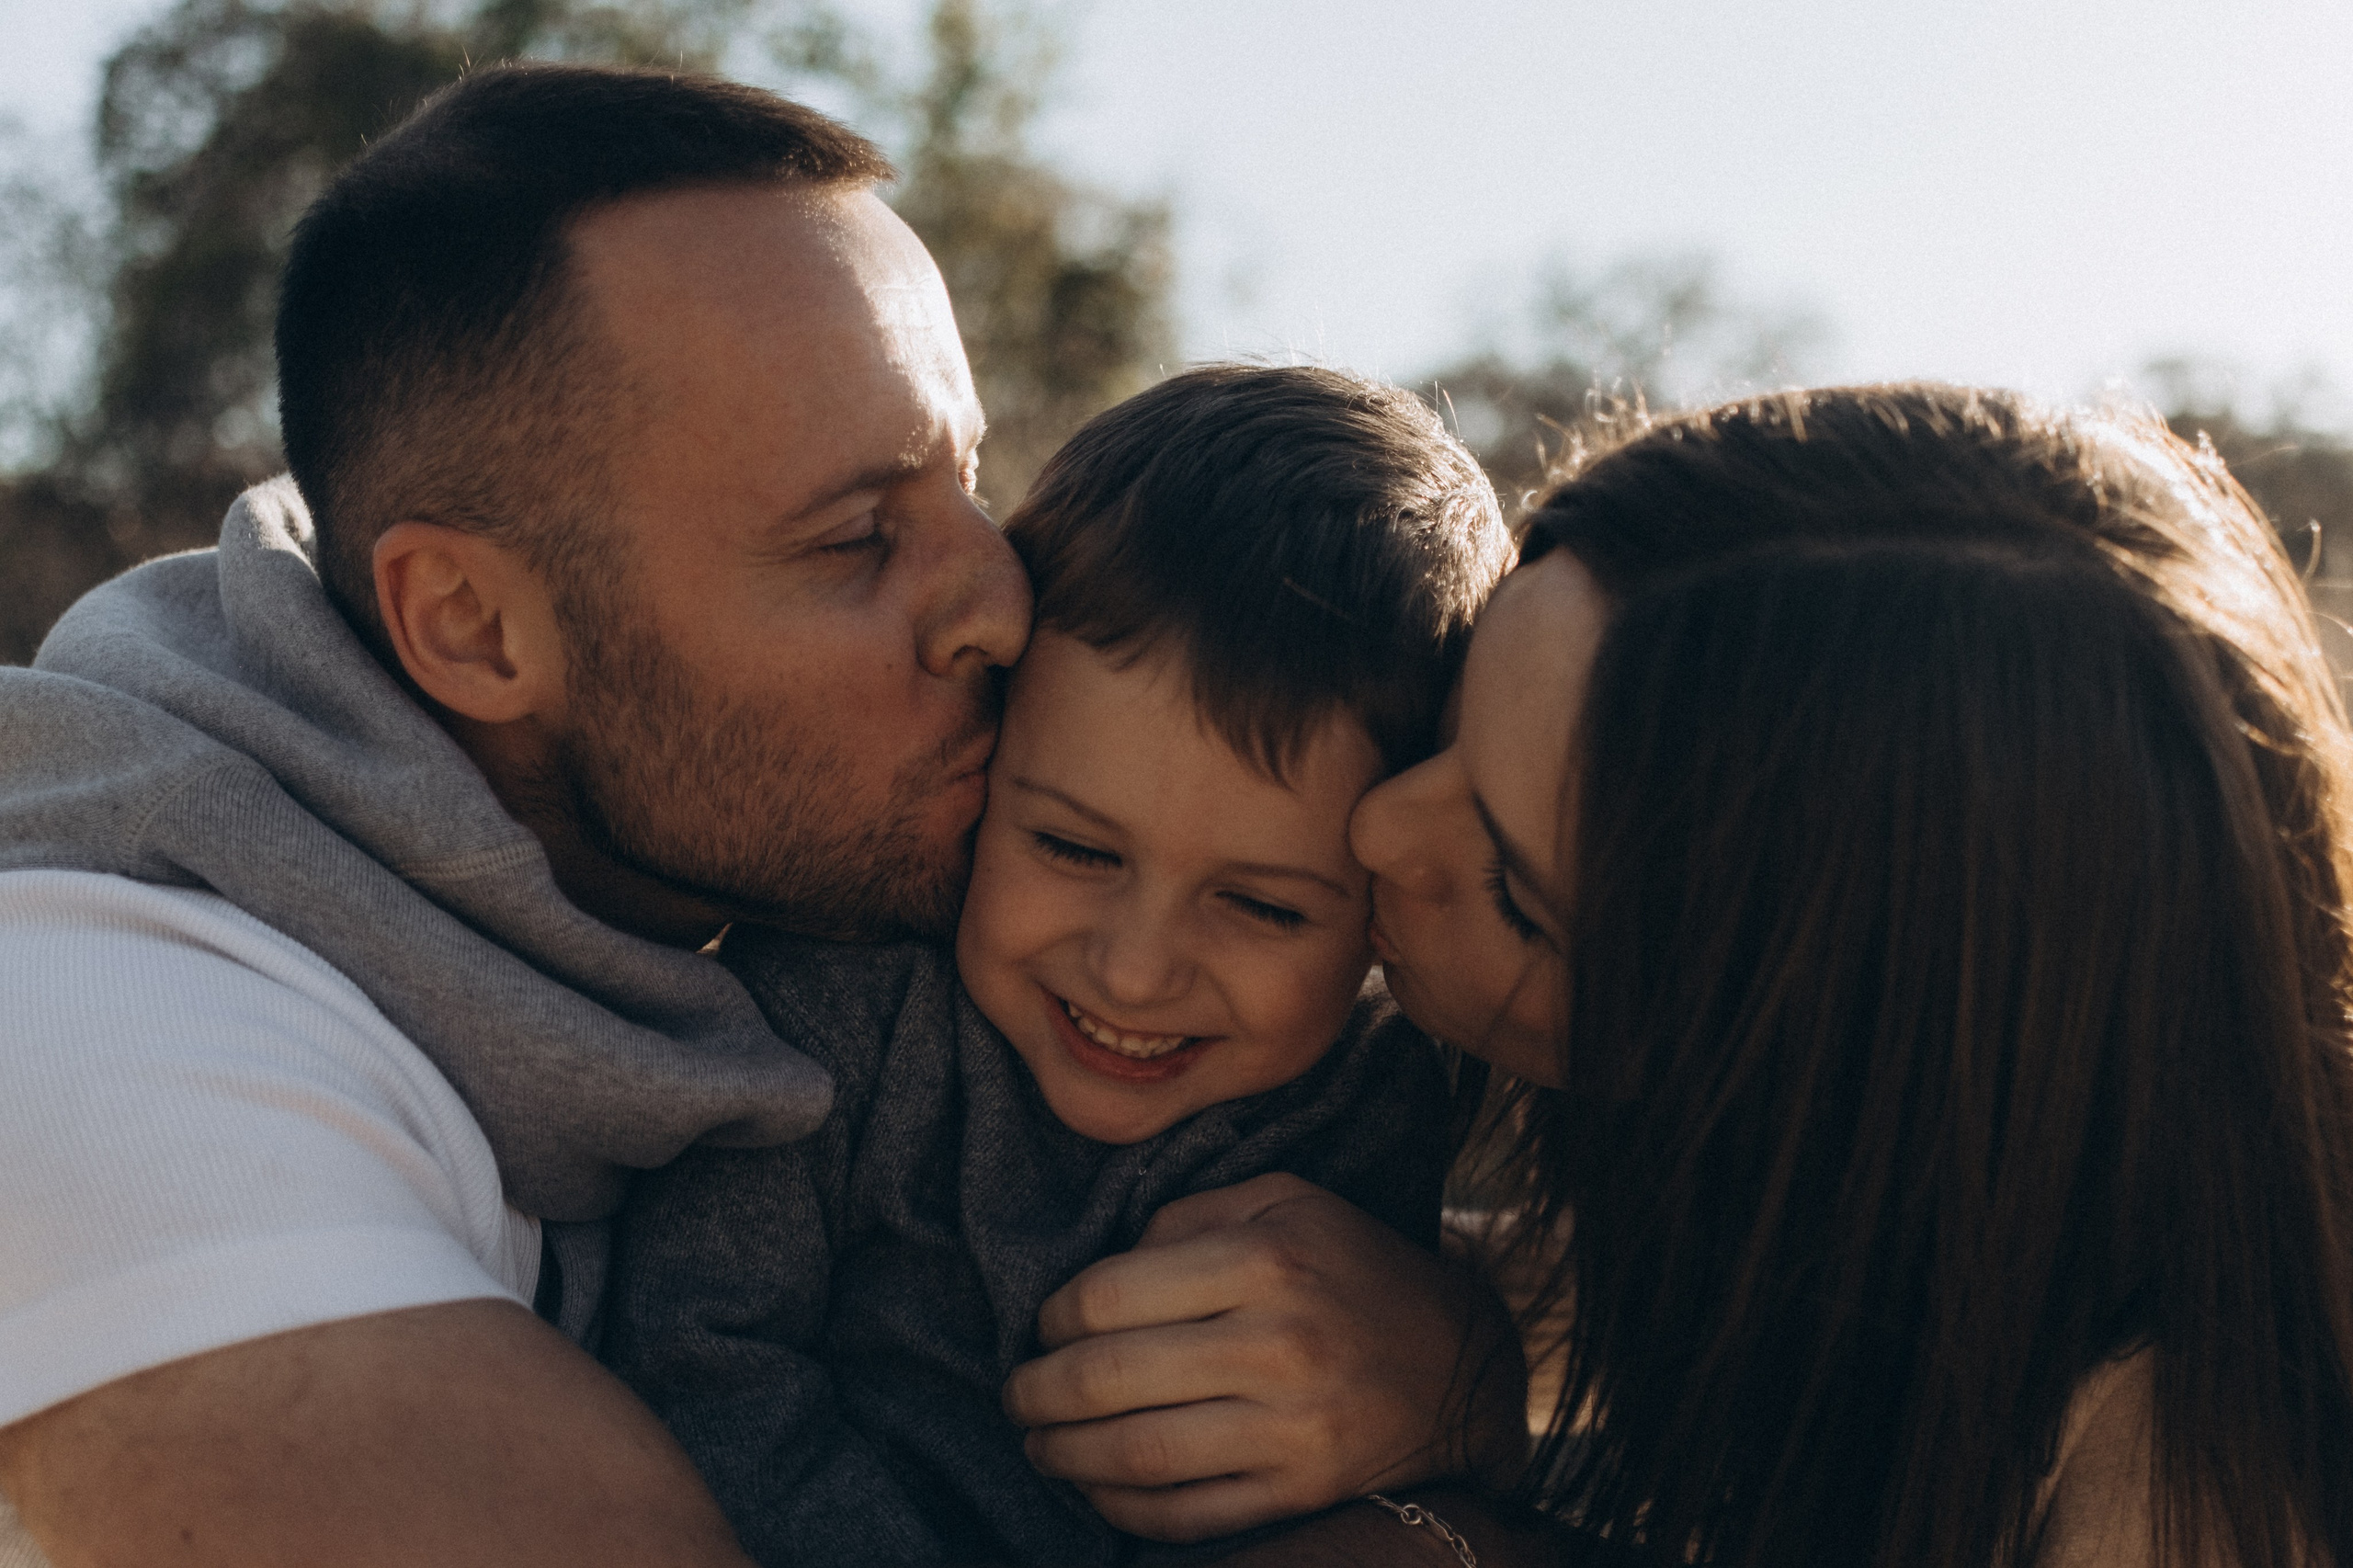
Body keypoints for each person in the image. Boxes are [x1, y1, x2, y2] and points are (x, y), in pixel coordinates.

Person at [0, 65, 1496, 1567]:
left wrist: (1456, 1375)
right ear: (470, 625)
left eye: (968, 482)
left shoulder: (726, 913)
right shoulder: (103, 1031)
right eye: (857, 539)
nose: (997, 602)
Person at [1347, 382, 2353, 1566]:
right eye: (1456, 705)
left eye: (1516, 896)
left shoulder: (2189, 1492)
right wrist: (1463, 1323)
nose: (1377, 830)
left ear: (1835, 1064)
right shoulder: (1912, 1248)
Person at [603, 364, 1518, 1567]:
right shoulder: (848, 1003)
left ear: (1385, 912)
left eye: (1260, 905)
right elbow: (694, 1350)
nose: (1135, 972)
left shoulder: (1377, 1100)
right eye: (1073, 847)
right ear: (984, 747)